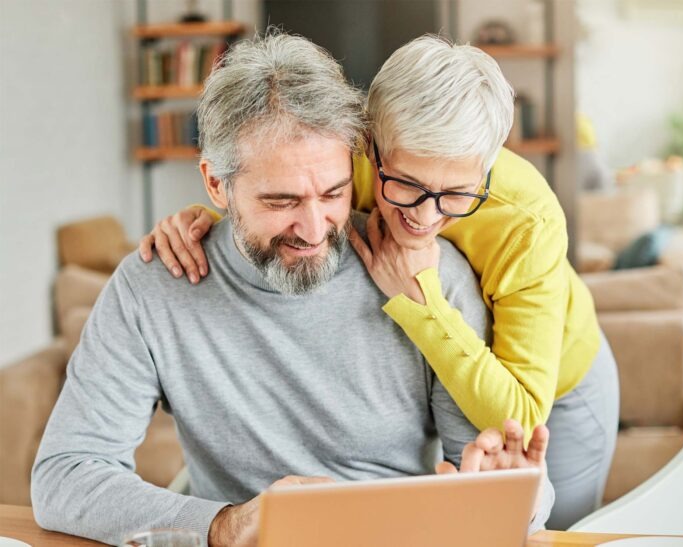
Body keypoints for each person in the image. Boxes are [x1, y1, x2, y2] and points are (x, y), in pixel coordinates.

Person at [31, 32, 553, 547]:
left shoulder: (429, 283)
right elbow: (64, 475)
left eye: (333, 192)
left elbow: (504, 486)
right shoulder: (152, 288)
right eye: (281, 201)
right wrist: (224, 525)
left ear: (357, 165)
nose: (313, 227)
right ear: (216, 185)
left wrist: (514, 493)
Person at [142, 35, 619, 529]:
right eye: (407, 185)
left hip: (554, 386)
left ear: (487, 166)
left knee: (558, 526)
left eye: (456, 194)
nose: (425, 217)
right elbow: (282, 192)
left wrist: (419, 300)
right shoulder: (350, 163)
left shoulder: (529, 221)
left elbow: (518, 415)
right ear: (369, 147)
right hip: (460, 364)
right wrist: (213, 220)